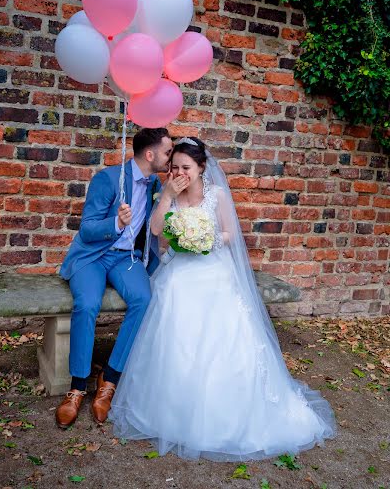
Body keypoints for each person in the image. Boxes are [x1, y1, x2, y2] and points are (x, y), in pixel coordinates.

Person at [109, 137, 336, 461]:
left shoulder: (216, 197)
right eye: (174, 168)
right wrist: (169, 198)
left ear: (201, 168)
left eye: (186, 168)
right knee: (176, 326)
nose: (179, 174)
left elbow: (230, 234)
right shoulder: (168, 193)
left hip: (214, 271)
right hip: (179, 274)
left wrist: (206, 235)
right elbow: (157, 232)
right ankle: (174, 410)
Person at [55, 127, 173, 429]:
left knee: (144, 299)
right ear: (150, 154)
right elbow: (87, 229)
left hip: (124, 259)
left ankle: (110, 378)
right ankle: (78, 386)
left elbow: (152, 227)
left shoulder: (153, 185)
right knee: (87, 303)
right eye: (167, 152)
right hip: (93, 256)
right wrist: (117, 223)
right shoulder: (108, 179)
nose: (169, 158)